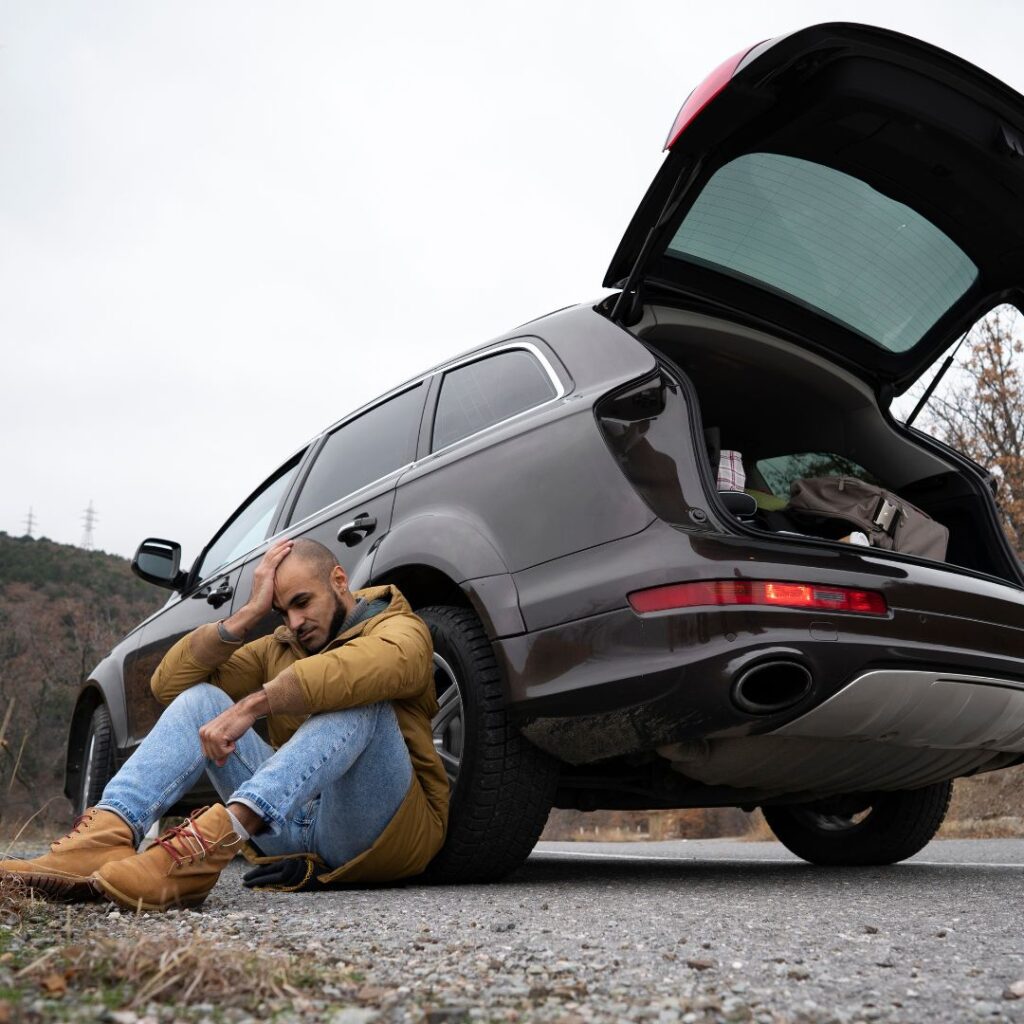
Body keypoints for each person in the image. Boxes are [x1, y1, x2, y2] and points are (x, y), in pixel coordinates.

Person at [0, 538, 449, 911]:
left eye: (302, 603)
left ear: (338, 581)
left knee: (358, 698)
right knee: (202, 699)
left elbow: (379, 667)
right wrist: (247, 616)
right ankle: (104, 836)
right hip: (290, 826)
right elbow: (169, 685)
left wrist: (254, 704)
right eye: (281, 610)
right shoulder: (282, 643)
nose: (294, 622)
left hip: (381, 827)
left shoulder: (399, 627)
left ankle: (210, 842)